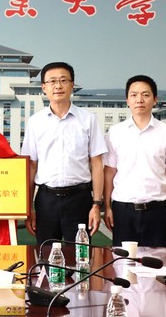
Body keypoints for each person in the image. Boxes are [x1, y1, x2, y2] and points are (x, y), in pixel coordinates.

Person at [21, 62, 107, 246]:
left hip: (79, 200)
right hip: (46, 200)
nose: (58, 86)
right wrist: (28, 208)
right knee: (45, 256)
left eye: (63, 80)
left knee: (80, 257)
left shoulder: (88, 119)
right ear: (44, 87)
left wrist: (96, 205)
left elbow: (97, 164)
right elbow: (31, 166)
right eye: (52, 81)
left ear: (72, 85)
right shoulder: (35, 122)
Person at [103, 74, 166, 247]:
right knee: (123, 261)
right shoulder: (115, 132)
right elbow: (109, 172)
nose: (139, 99)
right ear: (127, 100)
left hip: (157, 211)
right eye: (134, 95)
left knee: (157, 260)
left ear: (155, 100)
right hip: (123, 211)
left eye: (145, 95)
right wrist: (107, 207)